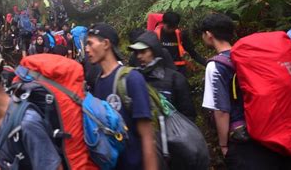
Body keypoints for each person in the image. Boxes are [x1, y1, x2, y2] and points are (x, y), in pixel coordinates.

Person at [200, 14, 291, 169]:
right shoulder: (250, 55)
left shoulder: (216, 65)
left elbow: (221, 110)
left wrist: (223, 145)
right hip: (271, 132)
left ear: (209, 34)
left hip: (243, 140)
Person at [85, 23, 158, 170]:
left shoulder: (132, 79)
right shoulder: (98, 81)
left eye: (90, 43)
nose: (86, 49)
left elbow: (147, 136)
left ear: (106, 44)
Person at [129, 31, 196, 121]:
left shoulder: (175, 79)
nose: (139, 56)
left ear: (154, 51)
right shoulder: (135, 79)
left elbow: (188, 114)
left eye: (143, 51)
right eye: (136, 53)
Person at [155, 11, 206, 76]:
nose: (171, 30)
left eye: (174, 27)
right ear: (163, 23)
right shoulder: (155, 35)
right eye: (169, 27)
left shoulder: (180, 35)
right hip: (163, 70)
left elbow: (192, 53)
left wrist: (205, 63)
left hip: (179, 69)